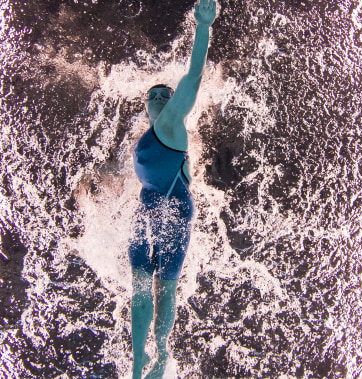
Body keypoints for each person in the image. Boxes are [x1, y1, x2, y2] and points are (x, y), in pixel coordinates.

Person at [128, 0, 217, 378]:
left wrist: (203, 26)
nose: (164, 98)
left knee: (164, 289)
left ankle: (161, 356)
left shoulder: (170, 125)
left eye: (167, 95)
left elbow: (193, 77)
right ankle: (138, 364)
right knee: (138, 283)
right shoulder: (148, 137)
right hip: (147, 208)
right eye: (155, 95)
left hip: (173, 211)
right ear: (145, 107)